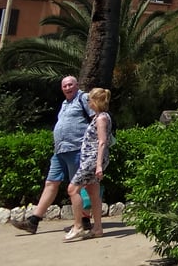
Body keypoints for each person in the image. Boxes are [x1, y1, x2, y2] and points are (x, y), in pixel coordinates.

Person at [12, 76, 91, 235]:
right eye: (64, 86)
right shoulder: (64, 103)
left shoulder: (84, 98)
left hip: (77, 149)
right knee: (50, 183)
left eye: (70, 84)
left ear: (76, 85)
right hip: (59, 151)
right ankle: (33, 221)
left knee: (79, 186)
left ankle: (84, 221)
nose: (68, 88)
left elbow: (96, 119)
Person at [65, 87, 112, 241]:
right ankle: (97, 228)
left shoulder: (101, 118)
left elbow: (102, 141)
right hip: (90, 159)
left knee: (72, 189)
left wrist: (98, 165)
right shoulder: (100, 117)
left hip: (92, 160)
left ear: (96, 101)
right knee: (93, 191)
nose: (88, 102)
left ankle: (77, 226)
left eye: (90, 99)